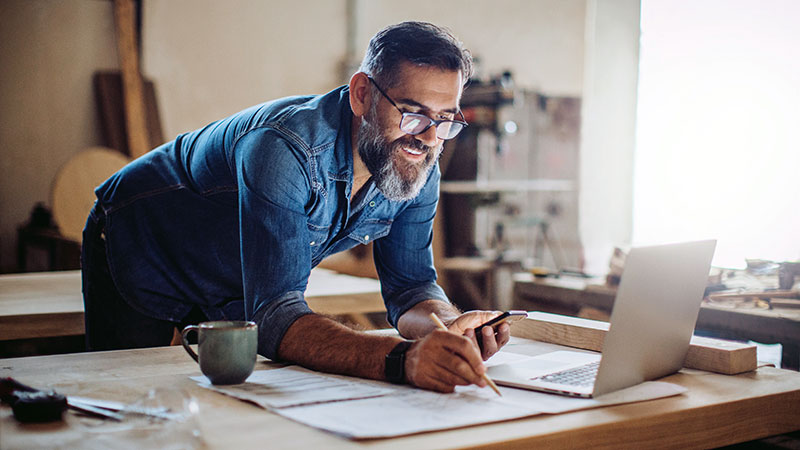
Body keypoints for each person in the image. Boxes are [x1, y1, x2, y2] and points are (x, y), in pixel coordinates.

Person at [81, 21, 510, 393]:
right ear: (362, 93)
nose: (429, 138)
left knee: (223, 412)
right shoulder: (283, 150)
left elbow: (412, 289)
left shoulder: (418, 165)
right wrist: (400, 360)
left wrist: (448, 326)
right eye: (413, 113)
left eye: (445, 120)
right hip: (143, 246)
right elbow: (274, 317)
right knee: (134, 404)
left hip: (233, 278)